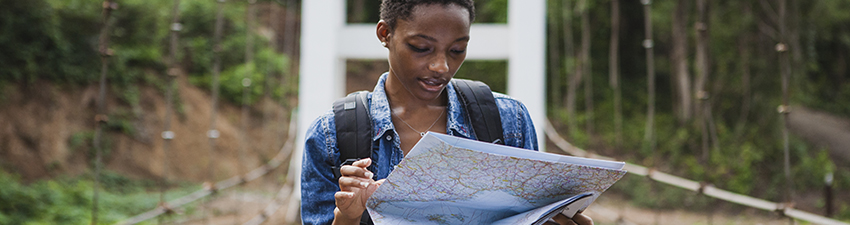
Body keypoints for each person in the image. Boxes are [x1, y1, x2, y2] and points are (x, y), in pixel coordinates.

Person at [300, 0, 593, 224]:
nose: (441, 67)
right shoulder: (331, 135)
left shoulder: (508, 120)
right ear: (385, 33)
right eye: (421, 48)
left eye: (456, 50)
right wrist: (348, 217)